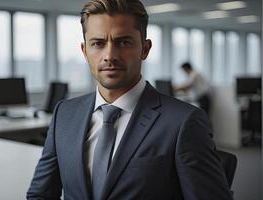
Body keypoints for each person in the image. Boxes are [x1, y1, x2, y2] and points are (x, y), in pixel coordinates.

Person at [27, 0, 232, 199]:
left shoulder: (184, 122)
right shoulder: (65, 113)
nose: (109, 55)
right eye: (98, 43)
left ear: (145, 48)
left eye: (123, 42)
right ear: (84, 51)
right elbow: (40, 194)